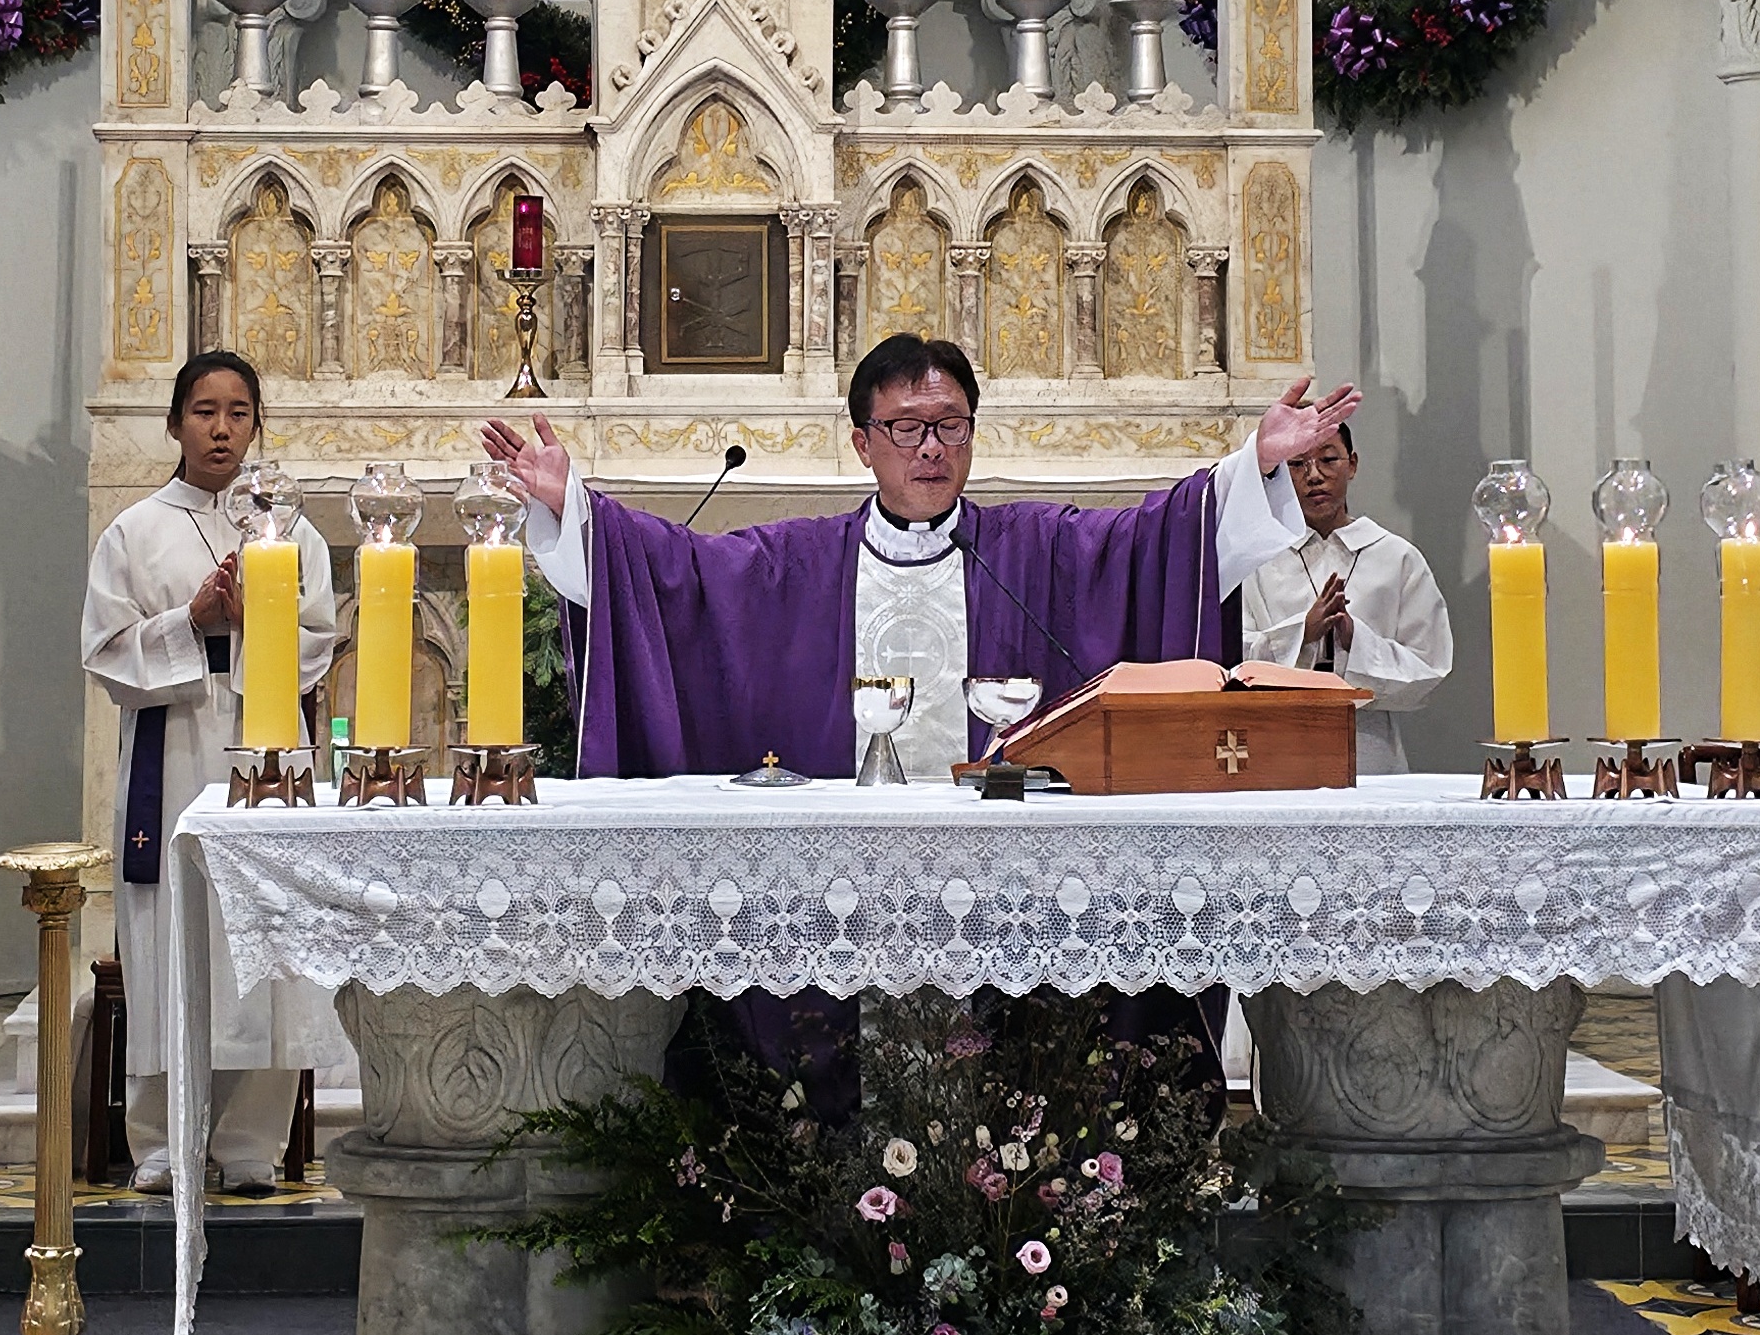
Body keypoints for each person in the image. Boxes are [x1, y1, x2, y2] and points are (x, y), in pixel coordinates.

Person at [480, 333, 1355, 783]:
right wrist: (572, 510)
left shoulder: (1035, 548)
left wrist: (1258, 465)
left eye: (950, 427)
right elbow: (681, 578)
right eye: (906, 428)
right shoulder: (797, 563)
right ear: (863, 443)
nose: (931, 448)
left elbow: (1158, 542)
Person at [83, 350, 344, 1195]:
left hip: (265, 750)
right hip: (173, 749)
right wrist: (190, 622)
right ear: (174, 424)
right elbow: (106, 653)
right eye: (204, 411)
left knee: (266, 933)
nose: (221, 429)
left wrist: (257, 624)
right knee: (170, 937)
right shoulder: (135, 531)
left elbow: (318, 640)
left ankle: (251, 1140)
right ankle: (164, 1139)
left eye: (238, 412)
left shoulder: (289, 530)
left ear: (257, 425)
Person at [1236, 420, 1454, 771]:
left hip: (1368, 746)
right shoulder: (1257, 561)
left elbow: (1430, 666)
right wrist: (1302, 634)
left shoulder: (1396, 557)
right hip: (1276, 746)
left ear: (1351, 464)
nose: (1314, 476)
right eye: (1297, 464)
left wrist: (1355, 640)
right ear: (1278, 473)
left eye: (1328, 459)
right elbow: (1229, 661)